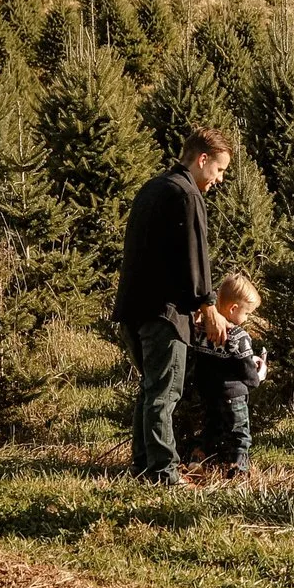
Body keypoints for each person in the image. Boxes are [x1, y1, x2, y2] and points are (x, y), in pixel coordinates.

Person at [113, 126, 234, 486]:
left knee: (151, 388)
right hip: (163, 312)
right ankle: (164, 471)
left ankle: (143, 465)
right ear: (202, 160)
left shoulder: (152, 188)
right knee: (166, 392)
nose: (219, 179)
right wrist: (207, 305)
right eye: (219, 169)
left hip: (133, 308)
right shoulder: (186, 194)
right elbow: (195, 255)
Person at [186, 272, 269, 478]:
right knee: (239, 433)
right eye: (247, 313)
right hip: (233, 394)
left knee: (209, 427)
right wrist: (259, 373)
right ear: (233, 309)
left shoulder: (201, 329)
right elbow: (246, 370)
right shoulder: (239, 336)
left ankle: (197, 459)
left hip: (206, 390)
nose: (247, 318)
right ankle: (238, 468)